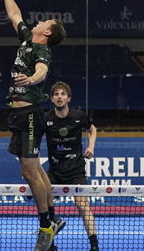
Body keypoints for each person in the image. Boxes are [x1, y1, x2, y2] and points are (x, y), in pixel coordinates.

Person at [0, 0, 67, 251]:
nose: (42, 20)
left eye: (47, 21)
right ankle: (53, 219)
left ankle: (46, 226)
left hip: (30, 115)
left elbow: (42, 72)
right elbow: (14, 14)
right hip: (19, 115)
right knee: (33, 172)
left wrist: (31, 79)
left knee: (31, 173)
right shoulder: (26, 40)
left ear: (47, 33)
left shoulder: (42, 51)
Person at [45, 81, 99, 251]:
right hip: (55, 171)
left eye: (62, 94)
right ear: (52, 99)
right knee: (45, 207)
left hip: (76, 170)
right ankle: (50, 244)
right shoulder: (46, 119)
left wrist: (91, 146)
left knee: (83, 207)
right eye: (56, 94)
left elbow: (92, 129)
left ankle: (94, 246)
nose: (59, 97)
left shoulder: (79, 116)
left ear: (68, 98)